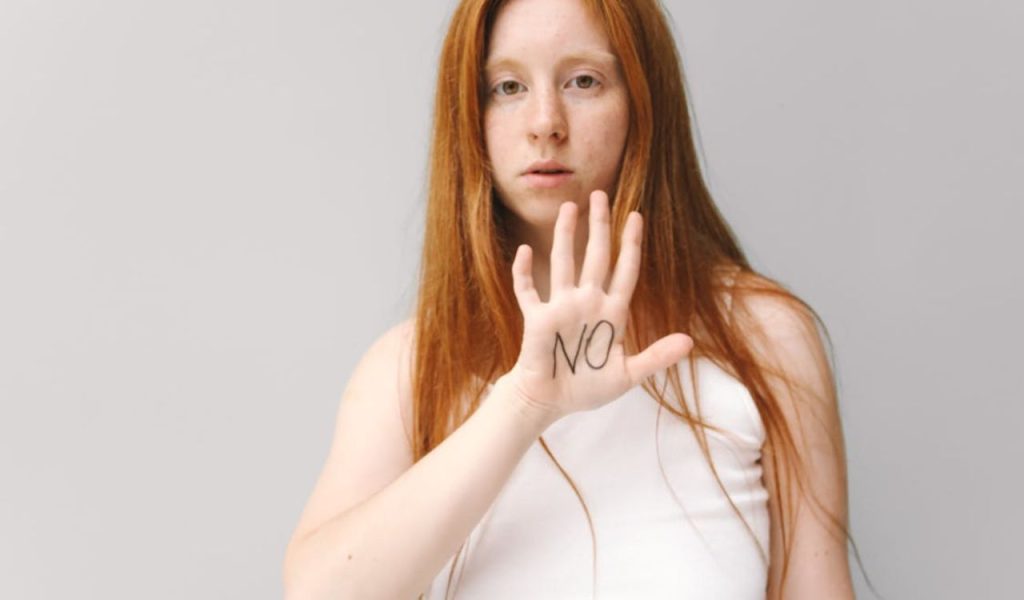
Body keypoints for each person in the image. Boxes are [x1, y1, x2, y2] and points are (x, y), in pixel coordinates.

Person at [283, 0, 868, 598]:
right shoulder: (409, 366)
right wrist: (523, 405)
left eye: (583, 81)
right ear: (471, 115)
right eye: (507, 86)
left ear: (642, 101)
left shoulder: (765, 337)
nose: (545, 122)